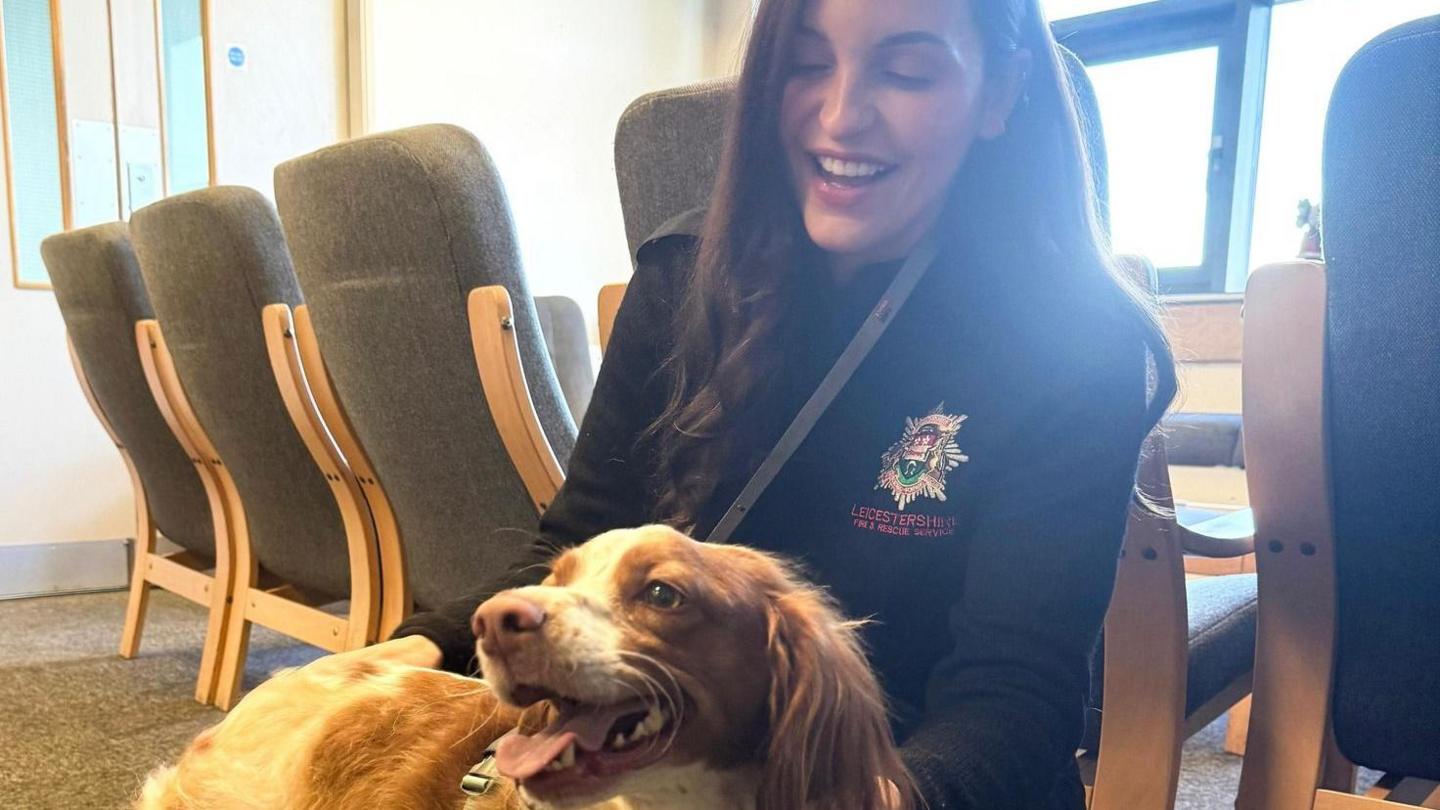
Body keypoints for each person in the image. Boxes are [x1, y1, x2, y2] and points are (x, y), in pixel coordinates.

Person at [372, 0, 1177, 807]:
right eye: (804, 62)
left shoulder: (1078, 345)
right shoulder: (683, 274)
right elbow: (580, 533)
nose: (839, 116)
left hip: (915, 783)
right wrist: (417, 646)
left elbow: (1013, 701)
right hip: (679, 764)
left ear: (1000, 92)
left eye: (905, 70)